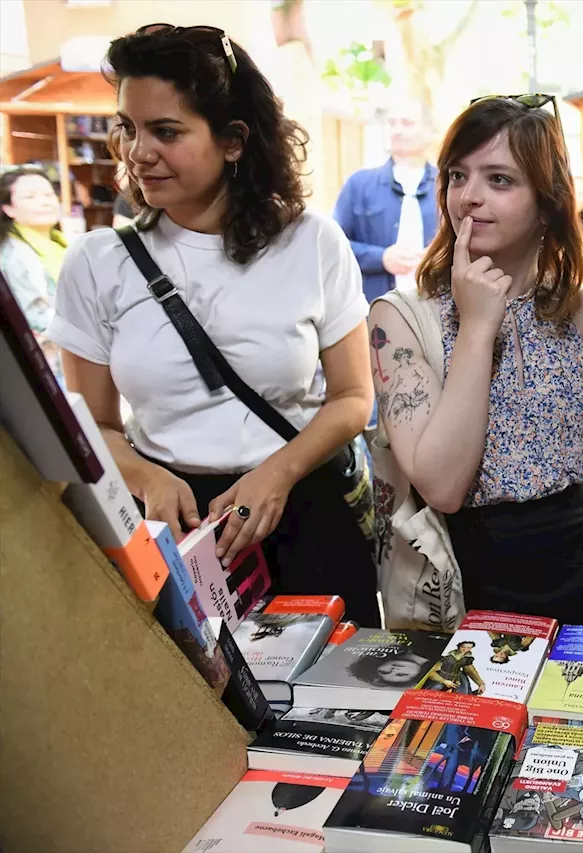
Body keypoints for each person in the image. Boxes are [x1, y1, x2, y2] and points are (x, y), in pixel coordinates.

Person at [47, 25, 380, 625]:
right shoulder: (98, 262)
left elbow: (354, 397)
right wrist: (146, 476)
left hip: (303, 506)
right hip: (172, 528)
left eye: (166, 131)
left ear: (232, 141)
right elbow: (92, 424)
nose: (137, 152)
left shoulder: (311, 243)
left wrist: (277, 474)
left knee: (333, 710)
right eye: (127, 127)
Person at [368, 96, 583, 626]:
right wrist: (478, 325)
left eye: (500, 180)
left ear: (548, 203)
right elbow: (442, 486)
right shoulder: (403, 318)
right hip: (461, 570)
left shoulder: (574, 307)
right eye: (458, 176)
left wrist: (572, 419)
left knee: (567, 710)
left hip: (570, 557)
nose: (470, 197)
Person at [334, 100, 439, 303]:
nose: (397, 130)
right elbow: (335, 245)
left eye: (407, 123)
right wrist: (381, 258)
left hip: (434, 311)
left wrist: (438, 256)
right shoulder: (359, 184)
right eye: (392, 123)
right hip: (374, 311)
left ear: (429, 131)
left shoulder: (448, 185)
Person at [0, 167, 67, 380]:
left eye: (48, 195)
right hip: (49, 365)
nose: (45, 202)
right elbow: (36, 317)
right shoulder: (16, 254)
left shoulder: (57, 242)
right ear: (8, 208)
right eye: (30, 197)